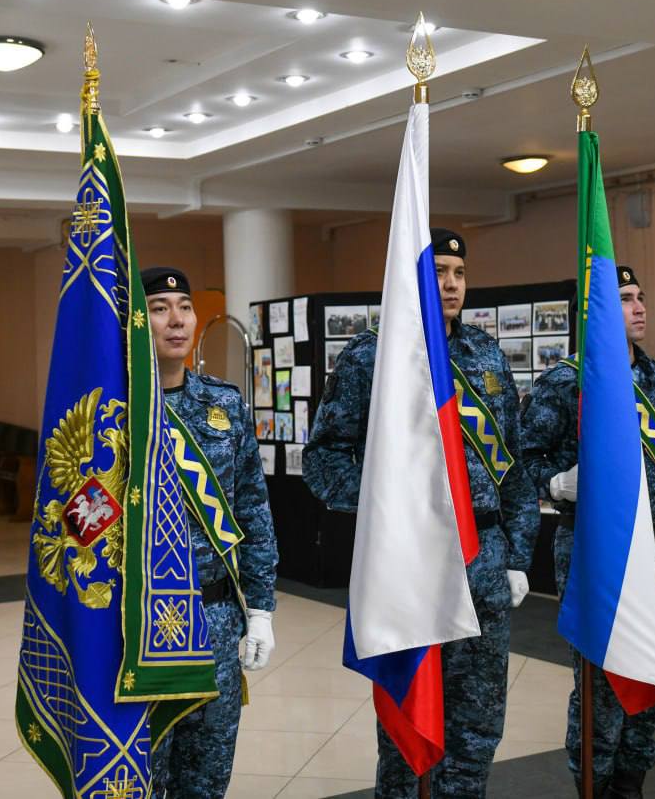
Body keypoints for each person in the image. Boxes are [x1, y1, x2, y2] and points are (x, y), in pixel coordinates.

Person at [303, 229, 541, 798]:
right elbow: (324, 460)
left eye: (459, 273)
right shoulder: (374, 355)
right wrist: (392, 500)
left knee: (478, 727)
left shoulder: (485, 353)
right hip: (411, 564)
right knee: (410, 730)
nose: (452, 284)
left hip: (482, 560)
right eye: (439, 272)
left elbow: (513, 462)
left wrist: (517, 553)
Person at [521, 266, 655, 798]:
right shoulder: (566, 382)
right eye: (625, 298)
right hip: (597, 550)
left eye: (641, 297)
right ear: (595, 312)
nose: (640, 306)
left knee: (653, 674)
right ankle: (595, 786)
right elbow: (523, 463)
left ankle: (631, 783)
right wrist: (557, 482)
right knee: (603, 685)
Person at [141, 266, 280, 799]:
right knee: (141, 780)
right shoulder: (112, 410)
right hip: (141, 625)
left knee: (207, 779)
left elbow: (252, 509)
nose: (176, 320)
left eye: (184, 306)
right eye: (158, 307)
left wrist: (261, 610)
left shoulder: (223, 404)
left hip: (217, 619)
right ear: (136, 320)